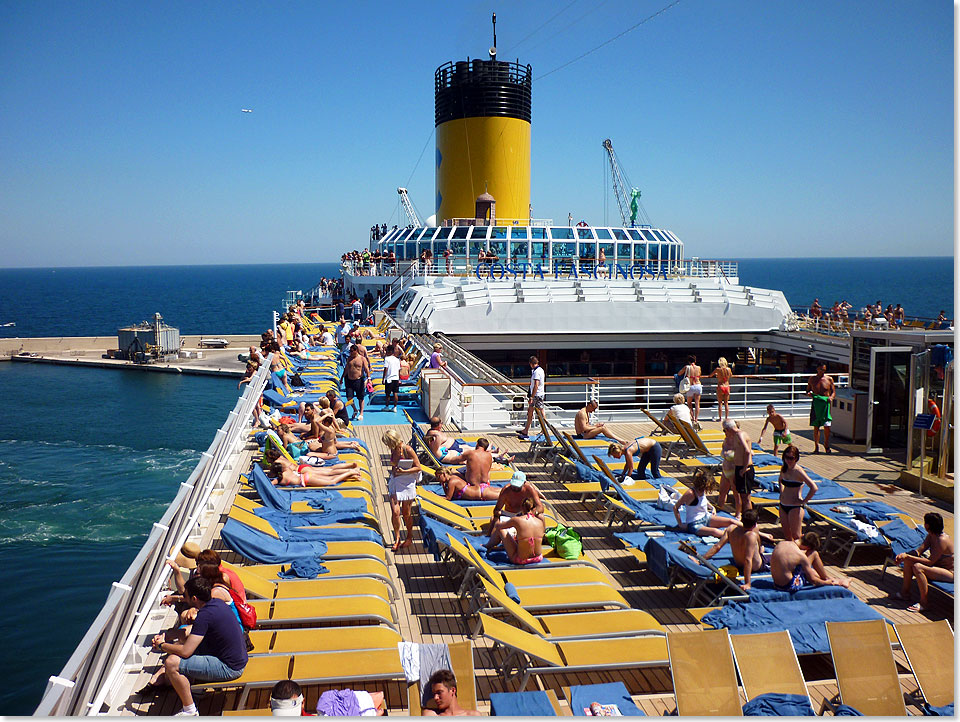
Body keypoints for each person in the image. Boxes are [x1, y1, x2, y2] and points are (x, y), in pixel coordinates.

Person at [139, 576, 247, 716]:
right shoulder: (217, 604)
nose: (185, 598)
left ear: (194, 598)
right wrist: (169, 635)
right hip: (236, 658)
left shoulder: (204, 616)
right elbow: (189, 635)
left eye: (186, 595)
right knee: (182, 645)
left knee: (171, 662)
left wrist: (162, 646)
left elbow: (185, 652)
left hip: (230, 667)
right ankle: (192, 689)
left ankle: (190, 710)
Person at [894, 512, 954, 612]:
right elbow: (918, 551)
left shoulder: (942, 540)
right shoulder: (931, 536)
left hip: (950, 573)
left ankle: (924, 603)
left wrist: (908, 556)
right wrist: (903, 555)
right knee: (908, 561)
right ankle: (905, 594)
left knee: (918, 567)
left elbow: (930, 562)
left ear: (927, 525)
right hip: (938, 566)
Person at [700, 509, 773, 590]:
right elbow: (748, 560)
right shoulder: (751, 535)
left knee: (761, 550)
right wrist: (747, 583)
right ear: (754, 524)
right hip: (756, 567)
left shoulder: (731, 529)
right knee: (778, 557)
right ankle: (761, 552)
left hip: (739, 564)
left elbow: (717, 546)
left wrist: (701, 559)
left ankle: (761, 551)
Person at [382, 429, 421, 551]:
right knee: (395, 512)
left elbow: (418, 467)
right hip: (395, 481)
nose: (387, 446)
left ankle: (409, 536)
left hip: (407, 483)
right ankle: (397, 538)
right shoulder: (393, 449)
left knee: (406, 513)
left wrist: (404, 471)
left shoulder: (407, 449)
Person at [486, 470, 545, 550]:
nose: (515, 488)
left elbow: (540, 507)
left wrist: (532, 514)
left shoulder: (529, 489)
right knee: (495, 520)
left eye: (518, 486)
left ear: (524, 483)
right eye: (514, 485)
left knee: (541, 517)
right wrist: (498, 514)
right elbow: (497, 509)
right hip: (508, 515)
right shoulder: (506, 490)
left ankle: (541, 539)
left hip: (523, 515)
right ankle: (492, 542)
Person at [770, 533, 850, 590]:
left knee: (809, 569)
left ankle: (834, 579)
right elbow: (813, 580)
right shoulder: (801, 556)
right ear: (807, 548)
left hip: (776, 583)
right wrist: (827, 583)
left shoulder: (781, 543)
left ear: (802, 536)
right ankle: (832, 580)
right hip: (789, 586)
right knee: (814, 554)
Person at [673, 468, 739, 538]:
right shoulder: (690, 493)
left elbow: (704, 500)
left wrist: (712, 507)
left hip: (706, 517)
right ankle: (740, 537)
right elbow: (675, 507)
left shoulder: (702, 491)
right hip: (694, 523)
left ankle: (749, 529)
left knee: (731, 521)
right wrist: (680, 524)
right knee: (715, 532)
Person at [777, 445, 817, 543]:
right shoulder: (784, 468)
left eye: (791, 458)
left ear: (796, 458)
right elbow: (780, 480)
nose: (788, 460)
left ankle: (800, 556)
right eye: (786, 457)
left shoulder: (798, 471)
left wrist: (804, 501)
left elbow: (814, 487)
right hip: (783, 505)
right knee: (787, 535)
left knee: (796, 536)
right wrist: (781, 492)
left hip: (794, 507)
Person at [718, 418, 754, 519]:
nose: (724, 432)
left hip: (740, 470)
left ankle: (747, 519)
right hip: (731, 469)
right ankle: (746, 519)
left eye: (724, 430)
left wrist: (744, 468)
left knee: (744, 497)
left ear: (727, 429)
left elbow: (748, 451)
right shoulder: (731, 438)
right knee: (740, 496)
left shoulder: (739, 435)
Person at [493, 497, 545, 565]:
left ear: (522, 508)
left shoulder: (517, 520)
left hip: (521, 560)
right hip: (538, 558)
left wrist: (496, 518)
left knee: (501, 530)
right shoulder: (540, 522)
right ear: (534, 509)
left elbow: (498, 526)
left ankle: (488, 546)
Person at [268, 460, 363, 488]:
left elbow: (269, 484)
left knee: (332, 481)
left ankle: (350, 471)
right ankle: (352, 475)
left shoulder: (279, 479)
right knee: (331, 475)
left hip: (306, 480)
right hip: (305, 475)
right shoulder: (286, 470)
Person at [805, 363, 835, 453]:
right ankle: (816, 446)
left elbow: (833, 392)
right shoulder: (812, 379)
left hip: (825, 404)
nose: (822, 372)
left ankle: (826, 444)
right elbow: (807, 390)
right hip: (816, 404)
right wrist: (809, 394)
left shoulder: (829, 379)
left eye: (824, 370)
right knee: (816, 426)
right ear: (817, 369)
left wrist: (831, 398)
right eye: (821, 369)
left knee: (827, 426)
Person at [517, 356, 545, 439]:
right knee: (530, 412)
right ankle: (526, 430)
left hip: (537, 395)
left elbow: (536, 385)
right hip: (537, 395)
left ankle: (543, 430)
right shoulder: (538, 370)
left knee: (540, 413)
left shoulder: (537, 372)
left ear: (531, 364)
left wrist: (532, 397)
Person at [343, 344, 370, 421]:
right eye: (350, 351)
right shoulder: (349, 359)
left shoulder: (362, 359)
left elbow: (366, 369)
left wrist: (369, 378)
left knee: (360, 398)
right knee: (349, 398)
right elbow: (346, 368)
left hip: (359, 380)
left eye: (352, 351)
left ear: (356, 351)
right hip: (349, 380)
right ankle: (355, 409)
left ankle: (361, 413)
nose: (351, 353)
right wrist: (342, 377)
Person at [678, 355, 703, 427]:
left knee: (689, 403)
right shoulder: (698, 367)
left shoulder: (687, 367)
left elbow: (680, 373)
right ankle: (696, 418)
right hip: (698, 385)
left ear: (688, 361)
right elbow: (699, 375)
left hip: (691, 386)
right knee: (697, 403)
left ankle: (692, 417)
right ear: (695, 361)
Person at [382, 345, 402, 412]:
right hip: (396, 378)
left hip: (389, 378)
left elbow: (386, 369)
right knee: (395, 393)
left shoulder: (387, 359)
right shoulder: (397, 359)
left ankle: (387, 406)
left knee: (388, 394)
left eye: (387, 351)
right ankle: (395, 407)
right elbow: (399, 370)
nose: (386, 352)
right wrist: (399, 378)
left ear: (390, 351)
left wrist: (383, 378)